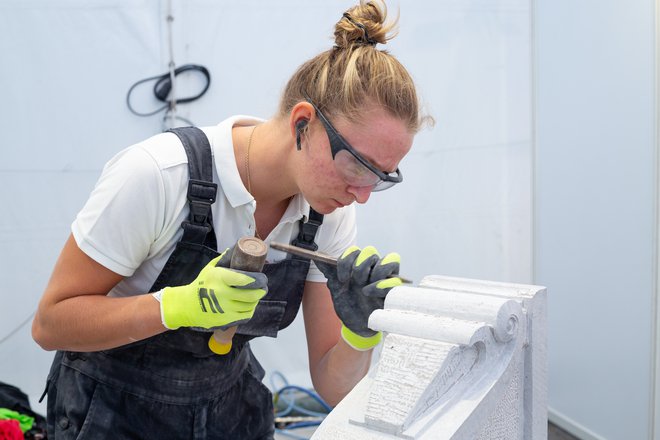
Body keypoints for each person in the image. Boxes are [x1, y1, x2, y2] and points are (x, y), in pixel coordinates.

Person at [31, 1, 427, 438]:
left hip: (229, 413)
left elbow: (334, 388)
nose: (364, 195)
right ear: (303, 124)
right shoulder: (160, 176)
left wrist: (359, 334)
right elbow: (51, 324)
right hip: (112, 413)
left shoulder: (327, 212)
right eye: (358, 165)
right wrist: (175, 306)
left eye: (382, 176)